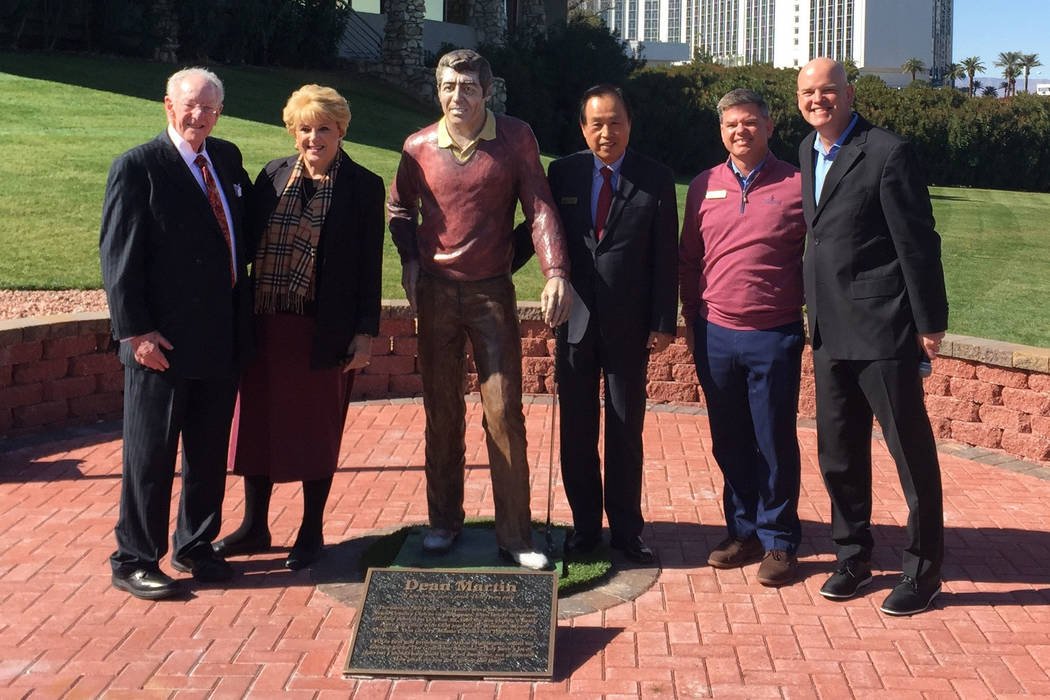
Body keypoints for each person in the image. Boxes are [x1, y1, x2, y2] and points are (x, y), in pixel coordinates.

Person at [387, 49, 571, 571]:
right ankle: (443, 522)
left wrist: (555, 271)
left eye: (468, 88)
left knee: (504, 414)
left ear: (487, 91)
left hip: (492, 293)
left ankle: (516, 534)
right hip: (437, 294)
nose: (456, 97)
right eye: (447, 87)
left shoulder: (516, 138)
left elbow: (538, 206)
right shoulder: (418, 146)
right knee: (441, 414)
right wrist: (409, 258)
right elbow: (399, 207)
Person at [797, 58, 949, 615]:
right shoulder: (806, 151)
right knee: (839, 453)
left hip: (883, 329)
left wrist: (929, 322)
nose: (819, 100)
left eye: (829, 91)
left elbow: (917, 241)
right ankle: (853, 557)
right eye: (809, 92)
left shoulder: (887, 151)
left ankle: (923, 572)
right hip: (829, 330)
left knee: (910, 454)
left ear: (850, 93)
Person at [214, 85, 384, 570]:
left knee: (316, 431)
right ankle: (254, 525)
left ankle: (311, 532)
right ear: (293, 132)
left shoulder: (363, 186)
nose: (314, 138)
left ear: (340, 132)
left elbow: (368, 267)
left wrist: (365, 332)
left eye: (323, 129)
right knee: (257, 428)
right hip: (266, 326)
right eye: (304, 129)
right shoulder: (272, 175)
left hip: (322, 330)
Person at [100, 67, 254, 599]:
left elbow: (245, 233)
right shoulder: (138, 168)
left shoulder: (228, 159)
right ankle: (134, 558)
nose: (200, 116)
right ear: (168, 105)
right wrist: (135, 332)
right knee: (150, 456)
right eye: (191, 106)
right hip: (160, 345)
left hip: (221, 337)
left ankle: (196, 545)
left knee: (208, 452)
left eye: (210, 108)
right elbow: (118, 260)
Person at [546, 84, 678, 565]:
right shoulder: (562, 173)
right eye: (596, 123)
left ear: (629, 123)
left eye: (615, 121)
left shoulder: (656, 177)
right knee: (577, 430)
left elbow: (666, 255)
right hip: (574, 324)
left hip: (630, 327)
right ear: (583, 128)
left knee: (625, 429)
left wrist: (665, 321)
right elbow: (542, 233)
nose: (607, 132)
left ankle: (625, 531)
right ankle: (584, 529)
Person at [679, 88, 806, 586]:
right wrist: (692, 319)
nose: (741, 131)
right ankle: (743, 529)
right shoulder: (703, 185)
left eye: (751, 122)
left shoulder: (798, 184)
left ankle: (780, 541)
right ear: (721, 130)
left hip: (773, 334)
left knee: (773, 439)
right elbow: (690, 259)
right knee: (728, 440)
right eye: (732, 123)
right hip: (715, 332)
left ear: (770, 127)